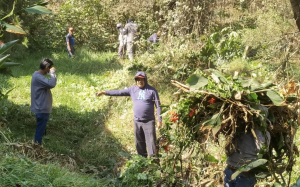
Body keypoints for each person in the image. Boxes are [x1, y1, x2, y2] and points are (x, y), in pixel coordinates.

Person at [95, 71, 162, 157]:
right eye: (138, 79)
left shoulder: (152, 91)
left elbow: (158, 106)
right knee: (139, 143)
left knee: (151, 144)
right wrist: (104, 92)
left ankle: (154, 165)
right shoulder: (132, 90)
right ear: (135, 80)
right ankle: (143, 163)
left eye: (142, 79)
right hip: (137, 121)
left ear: (145, 80)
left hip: (149, 122)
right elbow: (119, 92)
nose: (140, 81)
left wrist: (159, 120)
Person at [224, 106, 271, 187]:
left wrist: (256, 128)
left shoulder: (265, 134)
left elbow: (261, 149)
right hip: (229, 171)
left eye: (258, 115)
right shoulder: (239, 127)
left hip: (245, 176)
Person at [31, 58, 57, 145]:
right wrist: (52, 73)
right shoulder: (38, 76)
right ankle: (37, 147)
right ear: (46, 67)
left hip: (41, 107)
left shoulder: (38, 75)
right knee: (40, 130)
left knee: (41, 129)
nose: (50, 70)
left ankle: (38, 145)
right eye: (50, 68)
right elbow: (51, 84)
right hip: (41, 108)